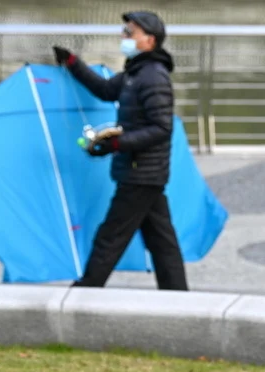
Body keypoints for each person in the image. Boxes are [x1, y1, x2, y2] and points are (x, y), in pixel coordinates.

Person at [53, 11, 188, 291]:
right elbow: (104, 89)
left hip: (141, 172)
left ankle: (86, 291)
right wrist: (73, 63)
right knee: (161, 241)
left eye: (130, 33)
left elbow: (162, 128)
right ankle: (178, 296)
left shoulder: (153, 77)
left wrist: (117, 143)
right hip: (141, 172)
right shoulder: (135, 73)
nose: (124, 37)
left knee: (111, 235)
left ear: (149, 41)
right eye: (125, 31)